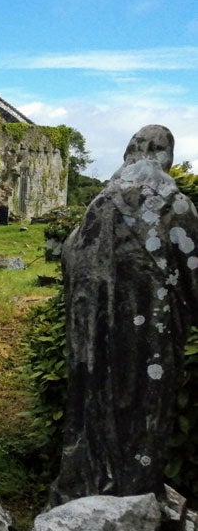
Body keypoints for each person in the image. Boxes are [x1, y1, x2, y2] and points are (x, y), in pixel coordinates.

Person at [51, 125, 198, 505]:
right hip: (155, 340)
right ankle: (135, 493)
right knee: (149, 411)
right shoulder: (178, 206)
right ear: (164, 155)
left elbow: (70, 260)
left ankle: (88, 486)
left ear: (129, 154)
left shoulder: (97, 207)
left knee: (91, 405)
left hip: (96, 342)